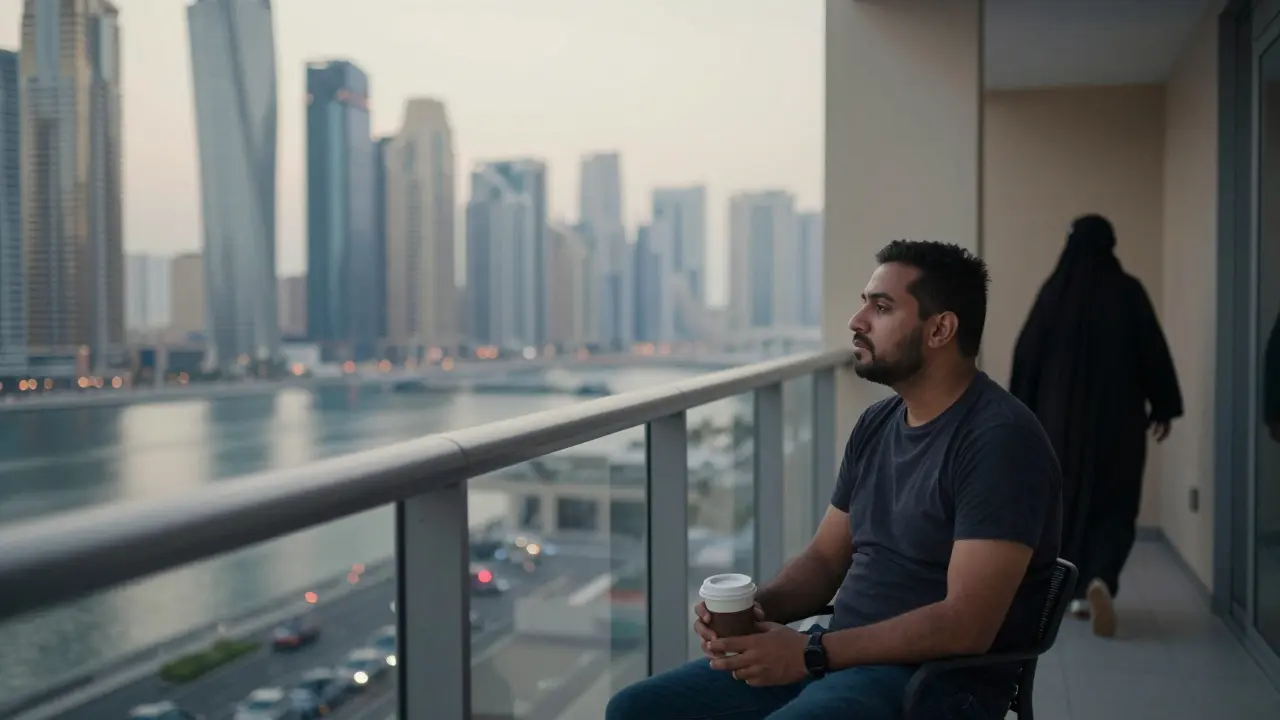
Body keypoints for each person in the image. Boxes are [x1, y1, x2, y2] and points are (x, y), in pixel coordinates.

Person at [606, 240, 1062, 720]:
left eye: (881, 307)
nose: (857, 320)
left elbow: (966, 624)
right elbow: (826, 559)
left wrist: (810, 653)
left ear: (941, 329)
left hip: (935, 681)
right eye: (865, 302)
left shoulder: (1000, 442)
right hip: (840, 656)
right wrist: (757, 611)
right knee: (636, 708)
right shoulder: (877, 424)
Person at [1009, 213, 1183, 638]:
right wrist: (1162, 406)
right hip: (1119, 427)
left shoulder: (1054, 294)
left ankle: (1071, 592)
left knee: (1063, 506)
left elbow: (1026, 357)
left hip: (1058, 429)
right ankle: (1101, 578)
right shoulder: (1129, 293)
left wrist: (1017, 418)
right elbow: (1153, 354)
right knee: (1115, 503)